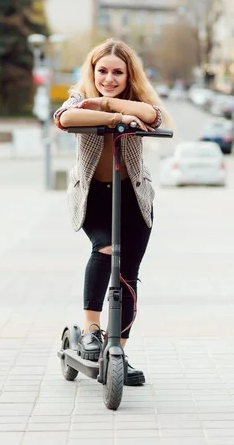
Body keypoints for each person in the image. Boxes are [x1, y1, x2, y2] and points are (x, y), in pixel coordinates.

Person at [53, 38, 170, 386]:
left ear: (128, 74)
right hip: (95, 198)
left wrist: (114, 104)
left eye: (117, 72)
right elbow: (65, 117)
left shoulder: (139, 101)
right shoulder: (79, 99)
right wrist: (116, 114)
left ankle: (117, 350)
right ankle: (91, 330)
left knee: (128, 274)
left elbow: (154, 115)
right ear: (92, 71)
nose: (108, 78)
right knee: (106, 249)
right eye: (102, 71)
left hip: (132, 196)